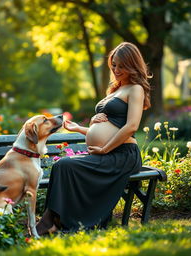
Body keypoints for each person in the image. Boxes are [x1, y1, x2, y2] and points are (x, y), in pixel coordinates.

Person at [36, 42, 151, 235]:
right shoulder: (115, 90)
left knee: (65, 165)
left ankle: (55, 222)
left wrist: (105, 148)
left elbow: (131, 126)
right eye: (113, 64)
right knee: (61, 165)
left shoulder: (135, 89)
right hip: (105, 153)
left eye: (121, 65)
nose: (116, 69)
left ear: (132, 65)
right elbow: (107, 125)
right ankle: (53, 221)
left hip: (122, 155)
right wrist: (82, 128)